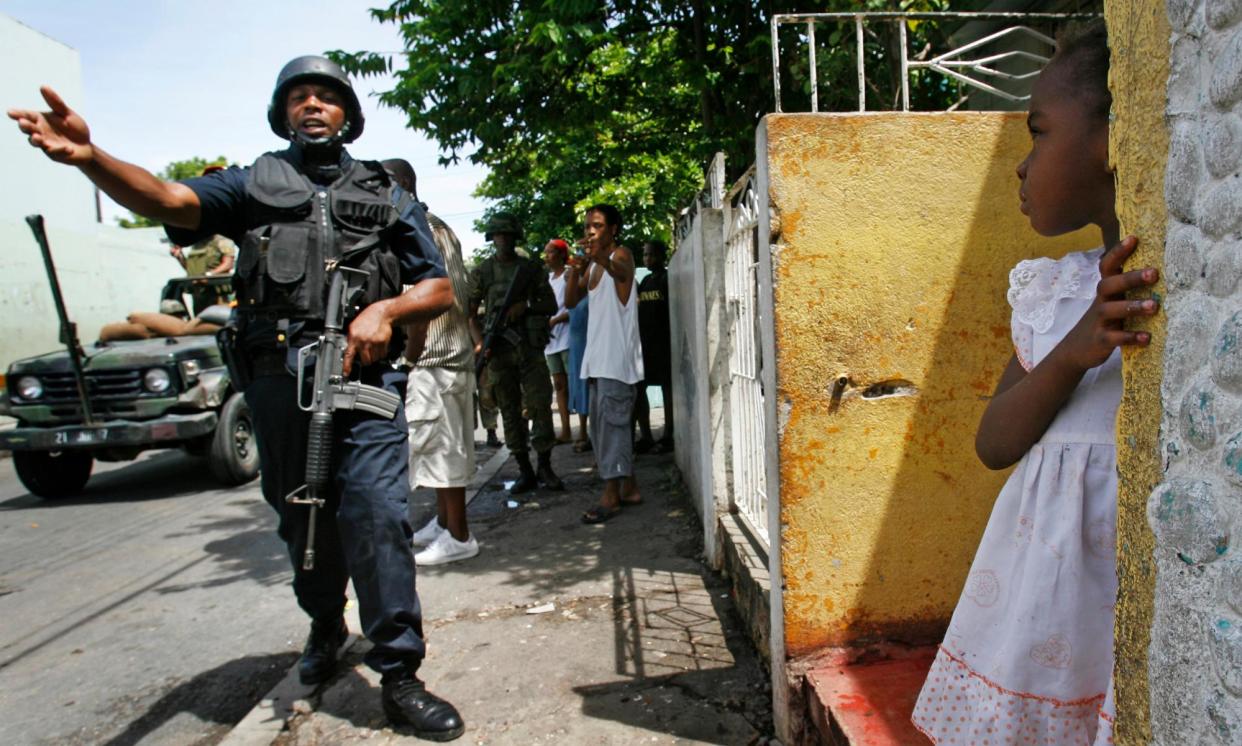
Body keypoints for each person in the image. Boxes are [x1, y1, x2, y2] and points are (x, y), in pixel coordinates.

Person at [9, 56, 466, 740]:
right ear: (283, 113)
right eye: (300, 96)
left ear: (348, 114)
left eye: (328, 97)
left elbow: (439, 288)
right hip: (281, 377)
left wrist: (388, 311)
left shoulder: (384, 190)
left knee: (375, 514)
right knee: (301, 520)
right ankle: (323, 624)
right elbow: (166, 200)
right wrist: (88, 158)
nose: (313, 105)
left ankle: (399, 673)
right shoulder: (254, 184)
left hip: (365, 379)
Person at [910, 22, 1158, 743]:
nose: (1022, 167)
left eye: (1039, 134)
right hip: (1044, 606)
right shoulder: (1053, 293)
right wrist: (1077, 349)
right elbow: (993, 442)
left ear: (1112, 140)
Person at [382, 159, 479, 567]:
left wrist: (408, 359)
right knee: (442, 449)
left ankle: (458, 536)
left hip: (435, 359)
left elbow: (424, 306)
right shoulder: (437, 226)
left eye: (385, 186)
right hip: (449, 357)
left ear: (403, 184)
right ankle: (444, 525)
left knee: (441, 453)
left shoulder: (417, 231)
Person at [467, 212, 565, 493]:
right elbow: (470, 315)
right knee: (509, 410)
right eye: (499, 236)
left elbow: (549, 304)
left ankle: (545, 466)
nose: (503, 241)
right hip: (498, 350)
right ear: (492, 238)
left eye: (508, 236)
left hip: (529, 348)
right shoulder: (483, 272)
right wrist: (479, 344)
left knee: (540, 404)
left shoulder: (530, 269)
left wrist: (526, 307)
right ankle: (524, 470)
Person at [564, 204, 643, 523]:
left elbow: (622, 273)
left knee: (611, 429)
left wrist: (597, 258)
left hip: (617, 363)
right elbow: (571, 302)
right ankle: (630, 487)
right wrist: (575, 270)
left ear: (613, 229)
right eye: (587, 226)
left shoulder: (620, 255)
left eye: (597, 225)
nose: (590, 231)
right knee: (604, 429)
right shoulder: (594, 267)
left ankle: (611, 496)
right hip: (598, 362)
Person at [633, 239, 673, 454]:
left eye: (651, 254)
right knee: (640, 388)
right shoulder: (646, 281)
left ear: (660, 255)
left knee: (667, 388)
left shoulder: (667, 279)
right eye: (645, 255)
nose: (647, 258)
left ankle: (668, 435)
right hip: (645, 344)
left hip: (663, 344)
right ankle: (646, 435)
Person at [544, 238, 573, 443]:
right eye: (546, 252)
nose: (547, 256)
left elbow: (575, 306)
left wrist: (556, 320)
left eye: (551, 252)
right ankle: (565, 430)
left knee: (575, 384)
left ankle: (582, 430)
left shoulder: (569, 275)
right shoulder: (547, 279)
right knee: (560, 386)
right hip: (551, 341)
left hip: (569, 338)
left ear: (562, 254)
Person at [567, 291, 591, 451]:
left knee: (589, 388)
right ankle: (582, 431)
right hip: (575, 347)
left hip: (588, 345)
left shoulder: (592, 296)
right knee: (578, 387)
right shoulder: (573, 295)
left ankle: (592, 435)